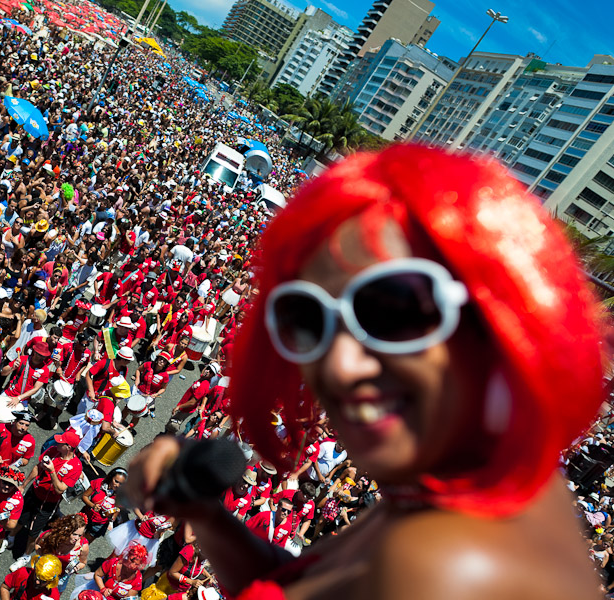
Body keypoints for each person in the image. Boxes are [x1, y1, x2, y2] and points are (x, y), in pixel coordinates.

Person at [124, 146, 605, 599]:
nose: (340, 364)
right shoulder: (462, 485)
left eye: (391, 310)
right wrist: (207, 516)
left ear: (498, 313)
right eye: (307, 318)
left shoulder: (451, 572)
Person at [18, 430, 83, 547]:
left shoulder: (76, 467)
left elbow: (60, 489)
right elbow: (37, 468)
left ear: (68, 447)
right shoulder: (53, 450)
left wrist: (52, 471)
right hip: (34, 491)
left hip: (47, 502)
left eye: (61, 442)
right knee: (21, 517)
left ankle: (26, 554)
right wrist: (23, 485)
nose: (56, 443)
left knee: (33, 532)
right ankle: (12, 537)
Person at [68, 542, 146, 600]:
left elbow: (127, 598)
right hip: (98, 590)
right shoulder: (113, 563)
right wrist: (103, 589)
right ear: (127, 556)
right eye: (131, 561)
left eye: (136, 564)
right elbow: (97, 575)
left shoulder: (137, 580)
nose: (132, 566)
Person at [80, 468, 127, 542]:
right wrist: (92, 505)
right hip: (85, 515)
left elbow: (118, 508)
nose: (118, 485)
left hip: (99, 524)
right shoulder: (99, 483)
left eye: (121, 484)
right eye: (116, 481)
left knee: (82, 544)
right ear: (111, 477)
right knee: (70, 536)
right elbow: (84, 496)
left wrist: (113, 517)